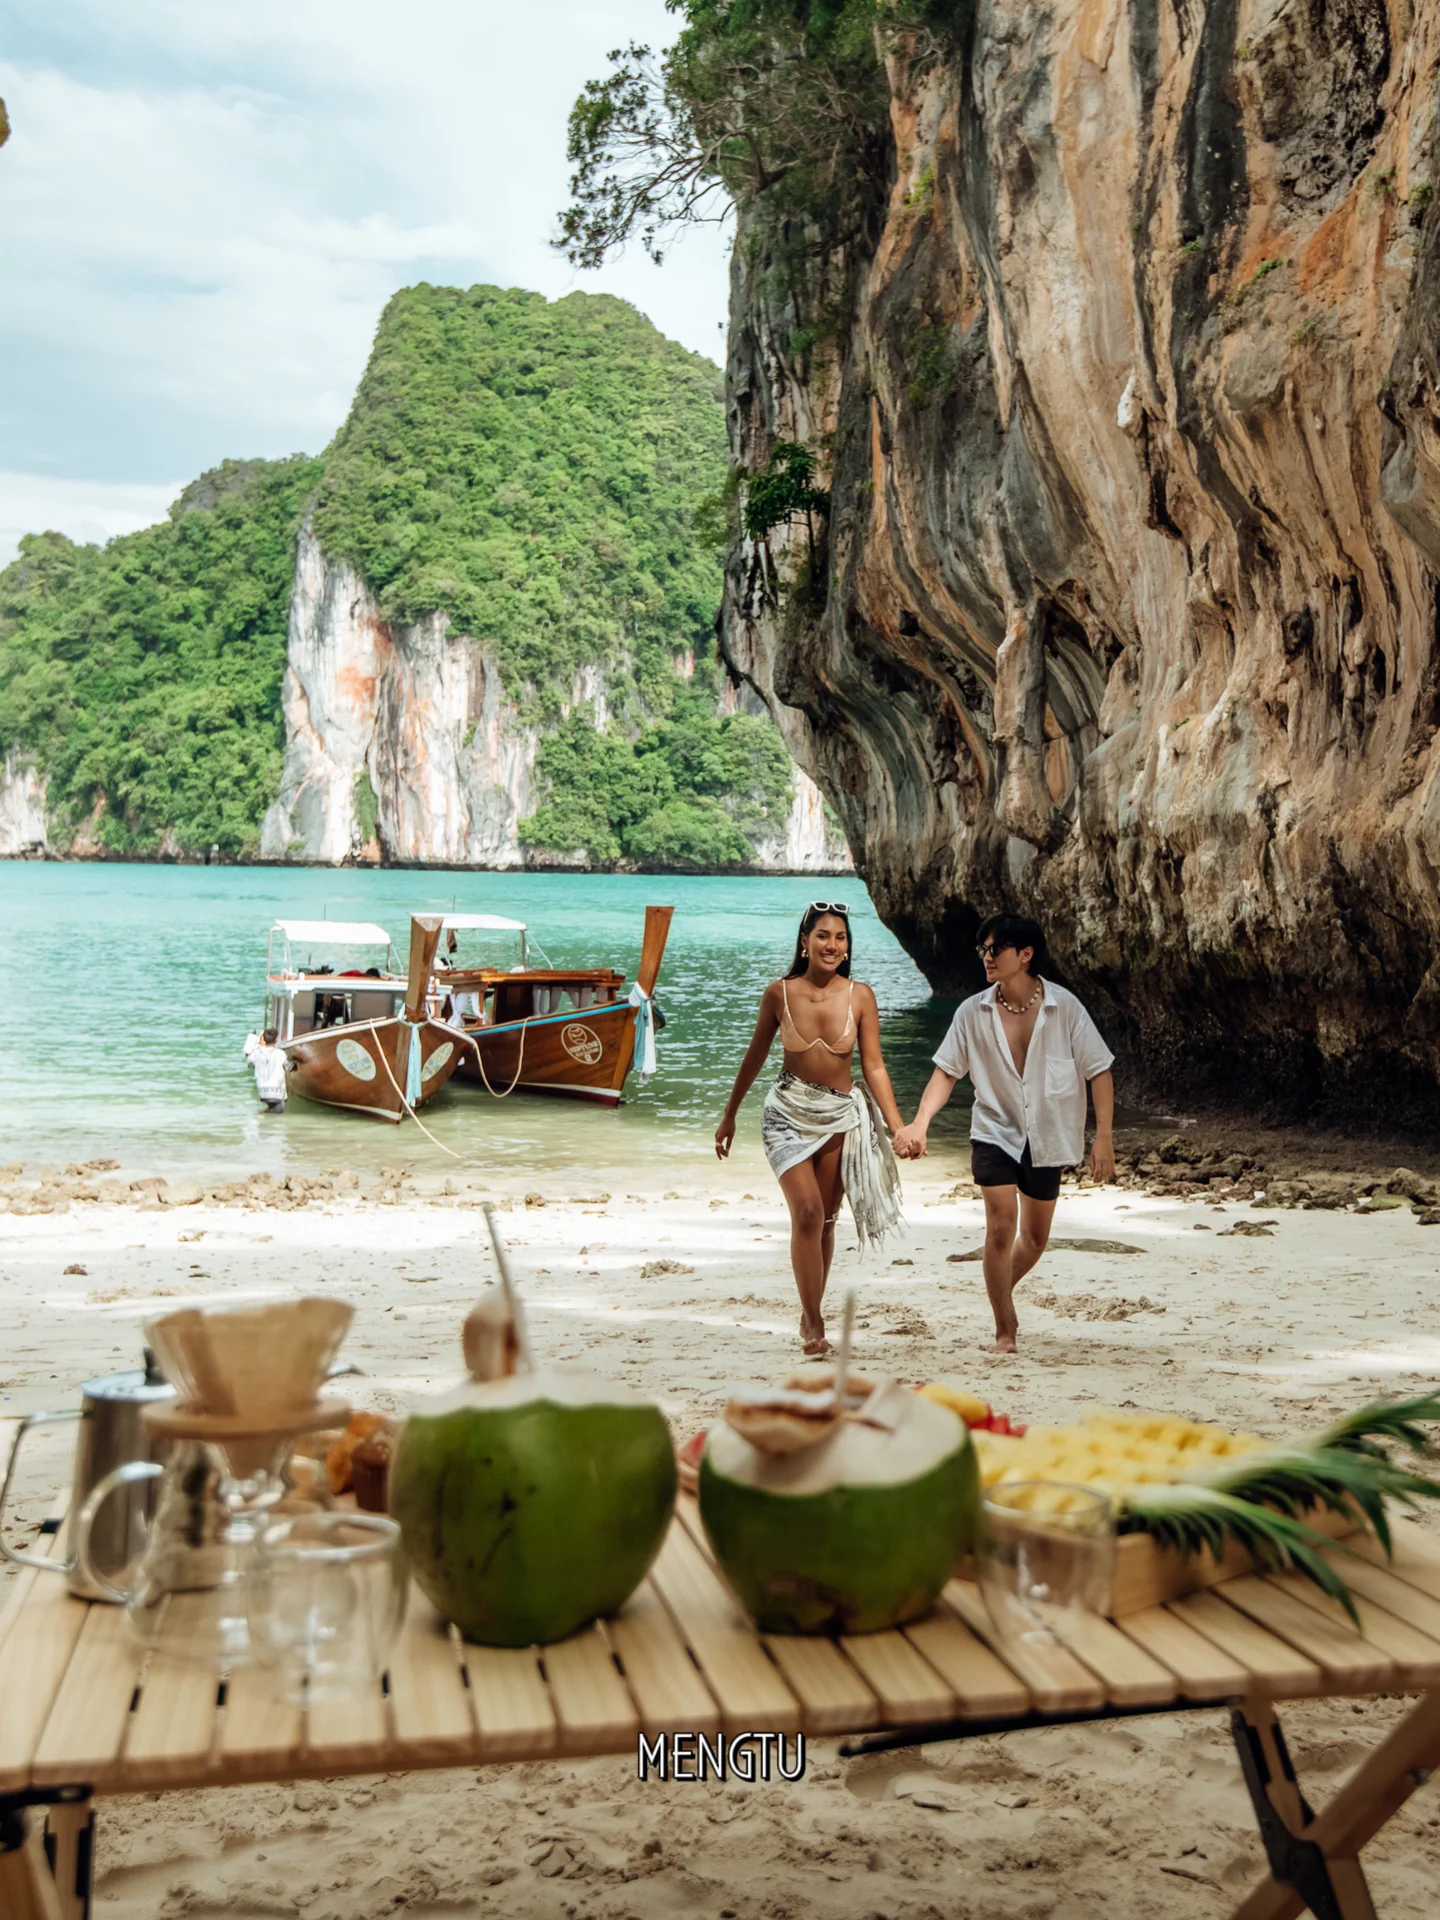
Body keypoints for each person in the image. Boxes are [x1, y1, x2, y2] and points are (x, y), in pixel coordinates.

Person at [893, 913, 1115, 1355]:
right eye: (983, 950)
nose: (986, 958)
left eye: (995, 949)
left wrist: (1103, 1137)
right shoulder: (971, 1012)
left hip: (1048, 1136)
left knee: (1033, 1241)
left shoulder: (1065, 1007)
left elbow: (1099, 1069)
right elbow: (946, 1073)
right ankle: (1004, 1327)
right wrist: (920, 1123)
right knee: (999, 1230)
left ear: (1025, 955)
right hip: (993, 1130)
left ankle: (999, 1291)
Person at [715, 903, 905, 1356]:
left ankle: (809, 1307)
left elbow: (874, 1067)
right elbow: (755, 1056)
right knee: (805, 1212)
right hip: (786, 1113)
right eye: (822, 936)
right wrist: (729, 1114)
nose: (832, 945)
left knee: (825, 1219)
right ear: (804, 941)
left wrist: (897, 1127)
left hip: (839, 1116)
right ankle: (815, 1320)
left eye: (840, 937)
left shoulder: (860, 996)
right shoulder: (779, 993)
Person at [246, 1026, 292, 1114]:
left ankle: (261, 1116)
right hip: (277, 1094)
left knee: (268, 1115)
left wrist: (252, 1040)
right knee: (277, 1117)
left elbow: (249, 1061)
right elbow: (288, 1067)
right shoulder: (280, 1053)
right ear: (276, 1040)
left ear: (263, 1039)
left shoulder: (256, 1053)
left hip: (263, 1093)